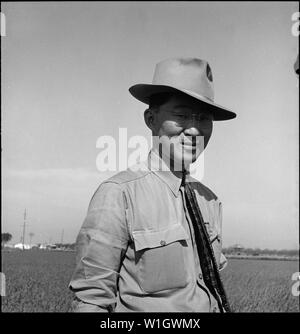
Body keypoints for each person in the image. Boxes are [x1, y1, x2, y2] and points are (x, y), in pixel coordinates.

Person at [69, 57, 236, 312]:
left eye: (203, 118)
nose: (194, 130)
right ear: (150, 119)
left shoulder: (209, 201)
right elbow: (91, 300)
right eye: (181, 115)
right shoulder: (119, 194)